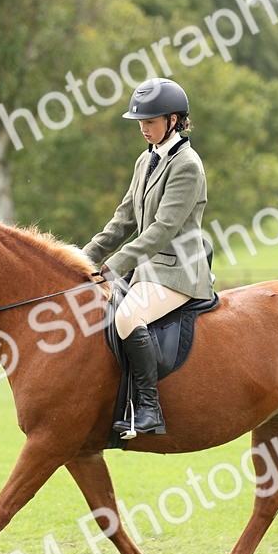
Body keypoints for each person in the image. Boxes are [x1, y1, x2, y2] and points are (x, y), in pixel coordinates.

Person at [83, 78, 214, 437]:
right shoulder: (147, 159)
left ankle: (148, 408)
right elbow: (124, 218)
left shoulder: (187, 165)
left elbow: (162, 229)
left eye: (150, 121)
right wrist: (82, 257)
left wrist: (114, 265)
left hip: (178, 271)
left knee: (128, 316)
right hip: (147, 268)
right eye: (140, 122)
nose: (143, 128)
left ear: (174, 120)